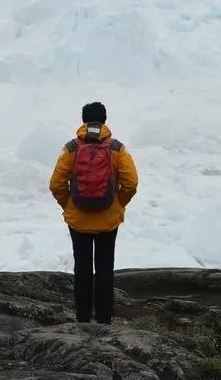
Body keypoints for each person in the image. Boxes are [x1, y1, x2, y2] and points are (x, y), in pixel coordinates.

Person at [49, 102, 138, 324]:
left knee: (82, 268)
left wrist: (69, 205)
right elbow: (131, 183)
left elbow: (56, 184)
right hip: (108, 220)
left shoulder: (71, 148)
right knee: (105, 267)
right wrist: (118, 204)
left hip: (78, 219)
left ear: (83, 121)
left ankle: (82, 319)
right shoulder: (117, 148)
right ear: (105, 120)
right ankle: (104, 321)